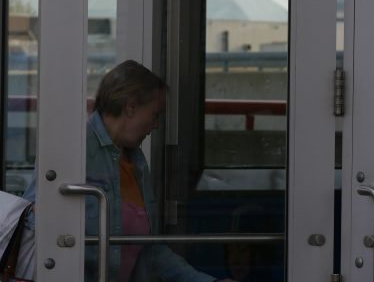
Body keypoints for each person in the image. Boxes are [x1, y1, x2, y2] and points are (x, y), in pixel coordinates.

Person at [26, 60, 236, 282]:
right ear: (131, 107)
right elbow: (35, 220)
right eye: (155, 114)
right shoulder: (75, 148)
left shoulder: (136, 162)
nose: (155, 125)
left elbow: (148, 251)